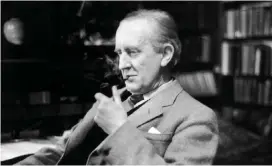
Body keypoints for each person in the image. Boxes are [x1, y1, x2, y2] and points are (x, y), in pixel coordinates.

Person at [16, 9, 218, 165]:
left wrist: (119, 129)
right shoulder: (115, 99)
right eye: (119, 53)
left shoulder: (197, 117)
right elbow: (61, 151)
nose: (122, 64)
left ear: (165, 54)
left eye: (132, 52)